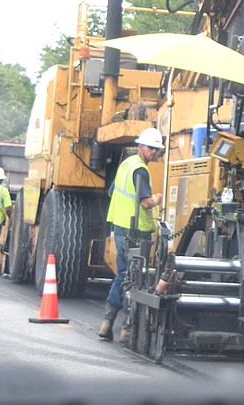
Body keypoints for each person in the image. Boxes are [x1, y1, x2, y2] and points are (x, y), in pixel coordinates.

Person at [99, 127, 164, 342]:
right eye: (152, 148)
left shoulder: (125, 165)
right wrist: (157, 199)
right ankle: (128, 327)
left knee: (123, 273)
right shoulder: (140, 170)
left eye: (157, 149)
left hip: (120, 226)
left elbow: (112, 192)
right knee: (134, 277)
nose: (155, 153)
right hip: (136, 231)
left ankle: (107, 321)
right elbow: (145, 202)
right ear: (141, 146)